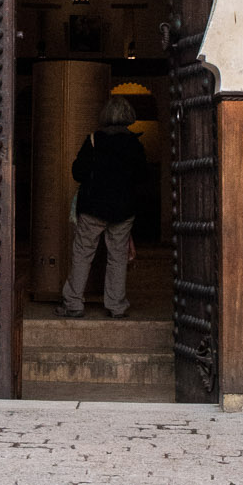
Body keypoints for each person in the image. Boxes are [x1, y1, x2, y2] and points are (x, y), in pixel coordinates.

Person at [57, 94, 149, 318]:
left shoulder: (93, 141)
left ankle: (73, 304)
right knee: (118, 257)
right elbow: (142, 177)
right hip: (123, 208)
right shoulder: (134, 144)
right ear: (128, 116)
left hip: (93, 207)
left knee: (82, 254)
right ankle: (116, 306)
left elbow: (77, 172)